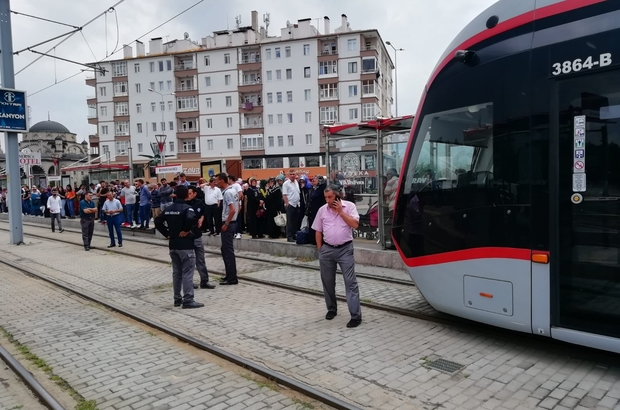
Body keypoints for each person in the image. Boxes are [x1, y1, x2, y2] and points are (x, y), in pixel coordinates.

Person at [311, 184, 362, 328]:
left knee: (350, 282)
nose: (327, 200)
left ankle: (355, 316)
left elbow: (355, 225)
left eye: (330, 197)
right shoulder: (322, 210)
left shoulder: (350, 206)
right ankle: (331, 309)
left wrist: (341, 212)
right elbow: (318, 231)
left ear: (337, 196)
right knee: (327, 281)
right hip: (327, 250)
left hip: (345, 249)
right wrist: (320, 249)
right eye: (325, 197)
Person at [155, 185, 204, 309]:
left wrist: (167, 234)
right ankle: (188, 299)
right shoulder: (188, 208)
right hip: (185, 245)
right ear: (187, 195)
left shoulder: (169, 208)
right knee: (187, 272)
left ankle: (177, 299)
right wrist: (186, 230)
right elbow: (191, 219)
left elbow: (157, 221)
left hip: (173, 245)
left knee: (176, 273)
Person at [186, 186, 217, 289]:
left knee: (200, 259)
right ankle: (189, 282)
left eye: (190, 193)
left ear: (194, 193)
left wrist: (201, 218)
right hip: (187, 236)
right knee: (189, 261)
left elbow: (203, 211)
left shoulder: (199, 202)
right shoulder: (183, 204)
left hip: (197, 234)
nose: (188, 195)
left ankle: (204, 281)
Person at [216, 173, 239, 285]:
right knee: (224, 249)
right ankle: (229, 274)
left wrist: (226, 223)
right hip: (232, 222)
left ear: (222, 180)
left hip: (228, 223)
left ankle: (232, 277)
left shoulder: (228, 193)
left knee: (228, 251)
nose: (216, 183)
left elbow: (233, 209)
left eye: (217, 180)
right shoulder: (233, 190)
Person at [282, 170, 301, 242]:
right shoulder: (286, 184)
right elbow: (284, 195)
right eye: (291, 174)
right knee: (289, 221)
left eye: (293, 174)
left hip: (297, 204)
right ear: (288, 175)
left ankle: (294, 235)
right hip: (290, 204)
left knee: (295, 221)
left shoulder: (296, 182)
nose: (292, 175)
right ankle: (289, 236)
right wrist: (287, 204)